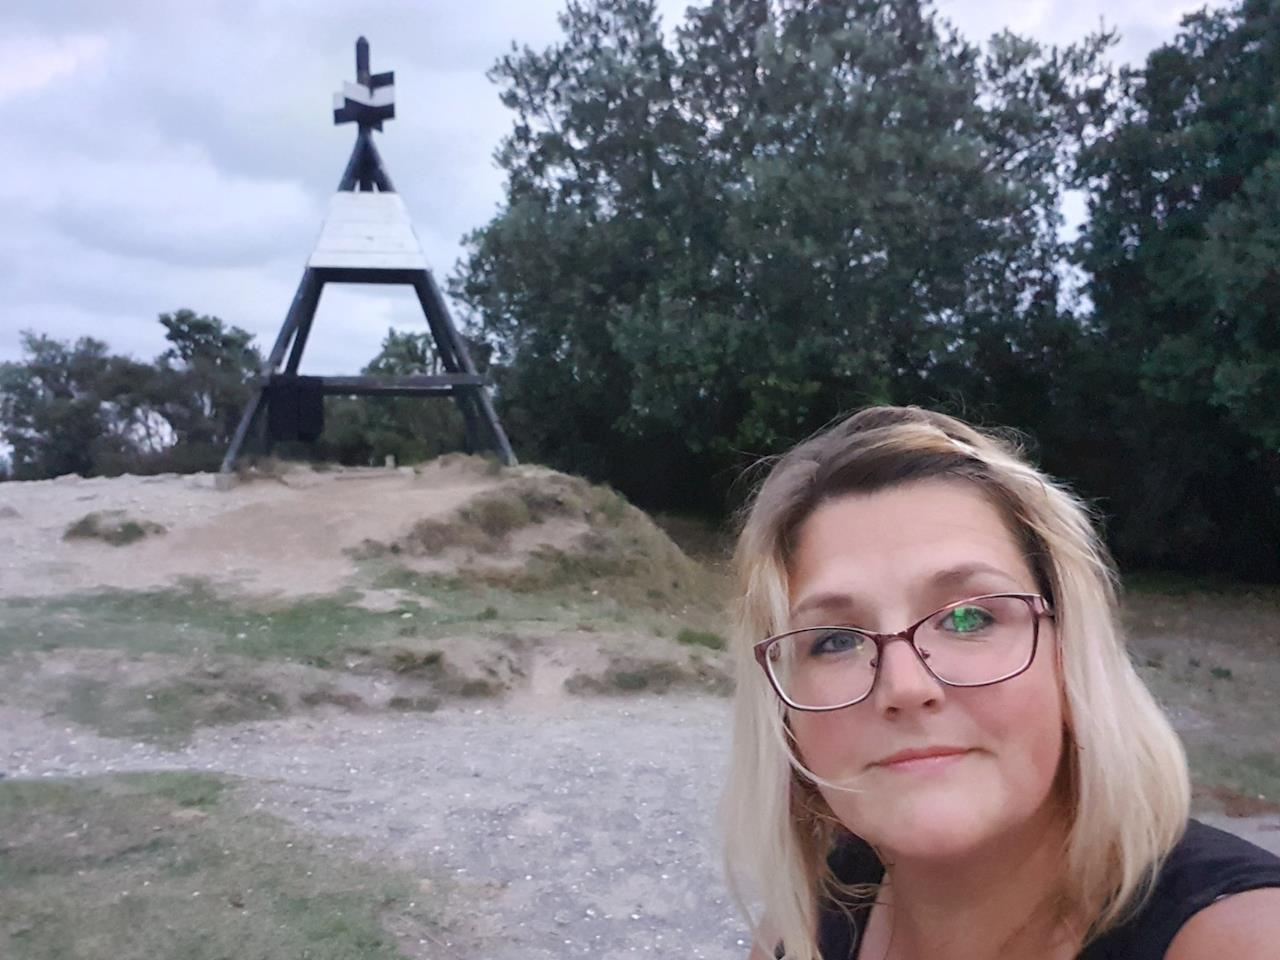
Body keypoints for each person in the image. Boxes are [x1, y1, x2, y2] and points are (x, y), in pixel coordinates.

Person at [721, 406, 1280, 960]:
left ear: (1071, 652)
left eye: (969, 618)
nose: (905, 686)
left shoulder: (1241, 938)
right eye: (836, 640)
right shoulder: (805, 926)